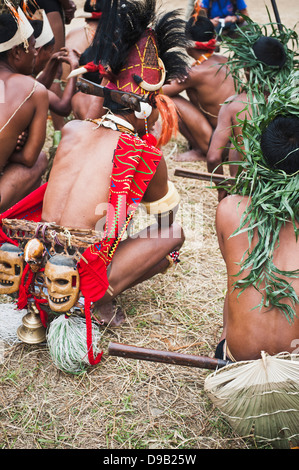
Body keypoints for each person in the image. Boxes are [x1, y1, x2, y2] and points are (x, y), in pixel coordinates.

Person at [41, 0, 189, 327]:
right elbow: (166, 218)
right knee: (174, 235)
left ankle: (55, 288)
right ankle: (94, 298)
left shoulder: (73, 129)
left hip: (39, 261)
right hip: (78, 273)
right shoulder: (142, 152)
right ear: (149, 105)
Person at [207, 21, 295, 200]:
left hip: (246, 192)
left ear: (247, 68)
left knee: (235, 142)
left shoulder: (234, 105)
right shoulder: (292, 102)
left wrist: (222, 190)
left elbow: (213, 158)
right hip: (285, 192)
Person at [163, 13, 235, 162]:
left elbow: (159, 91)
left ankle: (200, 150)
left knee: (171, 100)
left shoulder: (196, 73)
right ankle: (201, 146)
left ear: (187, 44)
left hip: (218, 149)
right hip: (237, 147)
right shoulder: (226, 60)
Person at [0, 4, 48, 212]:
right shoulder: (34, 90)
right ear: (17, 52)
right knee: (40, 159)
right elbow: (28, 158)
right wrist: (9, 149)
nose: (36, 52)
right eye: (33, 45)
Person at [29, 9, 80, 118]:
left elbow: (38, 86)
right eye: (51, 51)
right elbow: (63, 107)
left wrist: (54, 60)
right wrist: (74, 67)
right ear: (38, 50)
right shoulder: (22, 81)